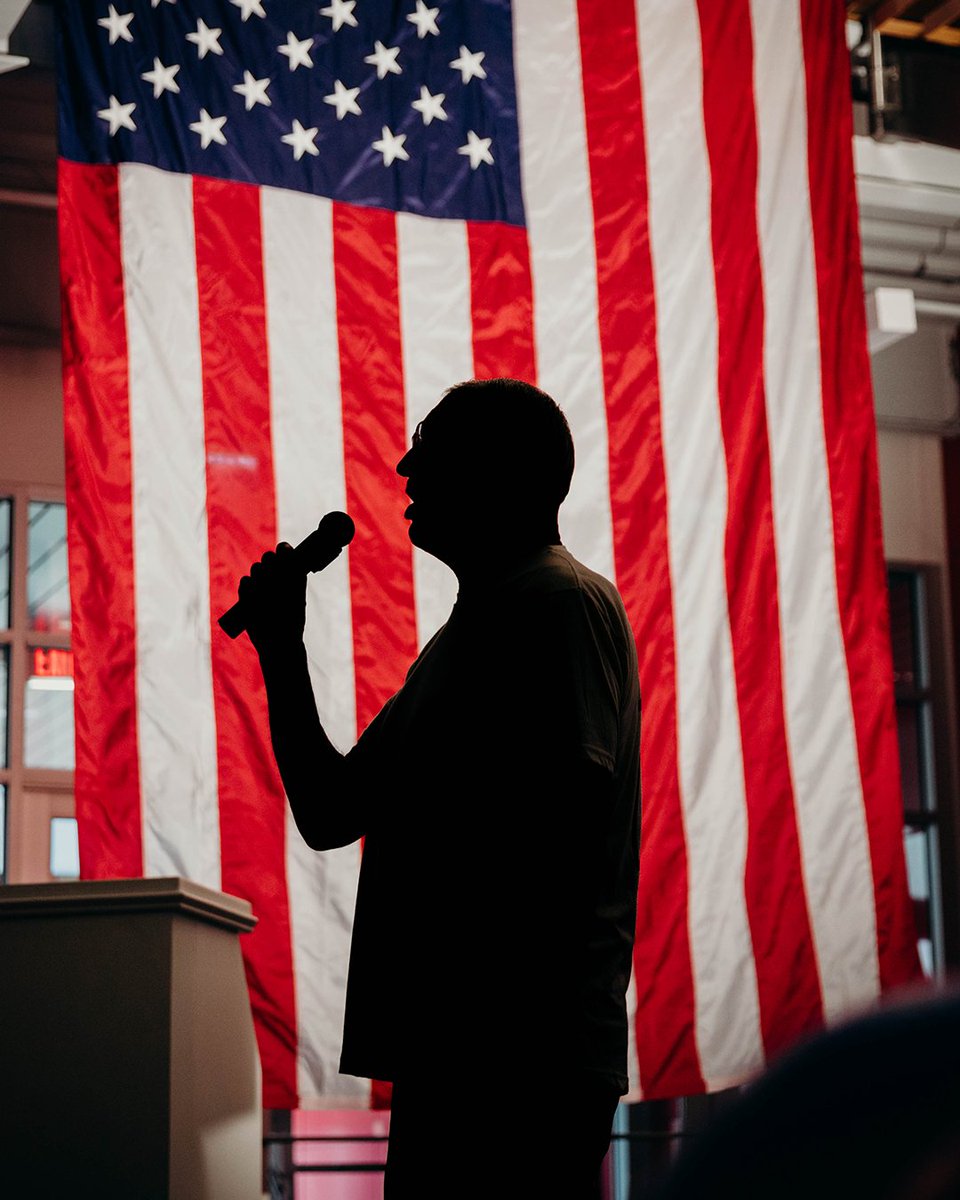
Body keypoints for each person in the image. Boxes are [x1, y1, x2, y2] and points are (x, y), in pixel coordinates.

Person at [239, 378, 641, 1198]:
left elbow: (563, 820)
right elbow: (331, 811)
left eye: (431, 443)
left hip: (517, 1065)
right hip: (464, 1056)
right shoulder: (475, 632)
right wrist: (282, 647)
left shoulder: (558, 601)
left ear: (502, 474)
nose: (404, 464)